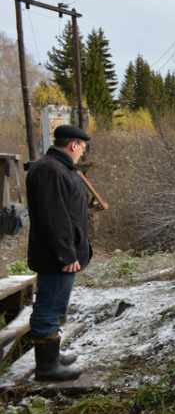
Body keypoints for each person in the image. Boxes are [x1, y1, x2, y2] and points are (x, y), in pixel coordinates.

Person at [26, 125, 105, 381]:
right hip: (56, 257)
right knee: (48, 307)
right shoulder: (52, 169)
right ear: (73, 145)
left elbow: (64, 210)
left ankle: (53, 355)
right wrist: (66, 255)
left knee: (56, 304)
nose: (82, 153)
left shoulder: (56, 167)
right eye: (82, 148)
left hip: (58, 253)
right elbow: (54, 218)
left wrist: (88, 210)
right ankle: (46, 368)